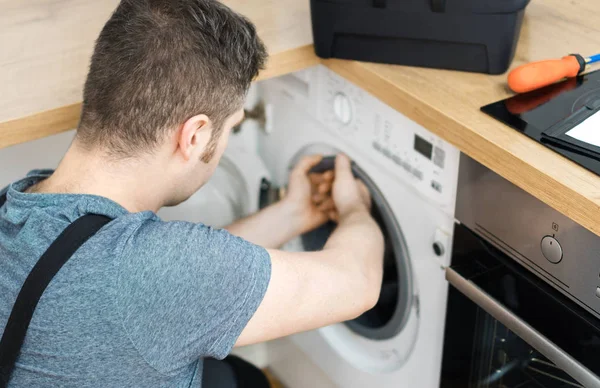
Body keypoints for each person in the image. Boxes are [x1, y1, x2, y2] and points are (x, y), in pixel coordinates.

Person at [0, 0, 385, 387]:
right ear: (195, 135)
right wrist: (355, 208)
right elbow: (358, 282)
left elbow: (182, 281)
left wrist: (294, 213)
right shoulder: (150, 273)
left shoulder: (20, 205)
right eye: (230, 130)